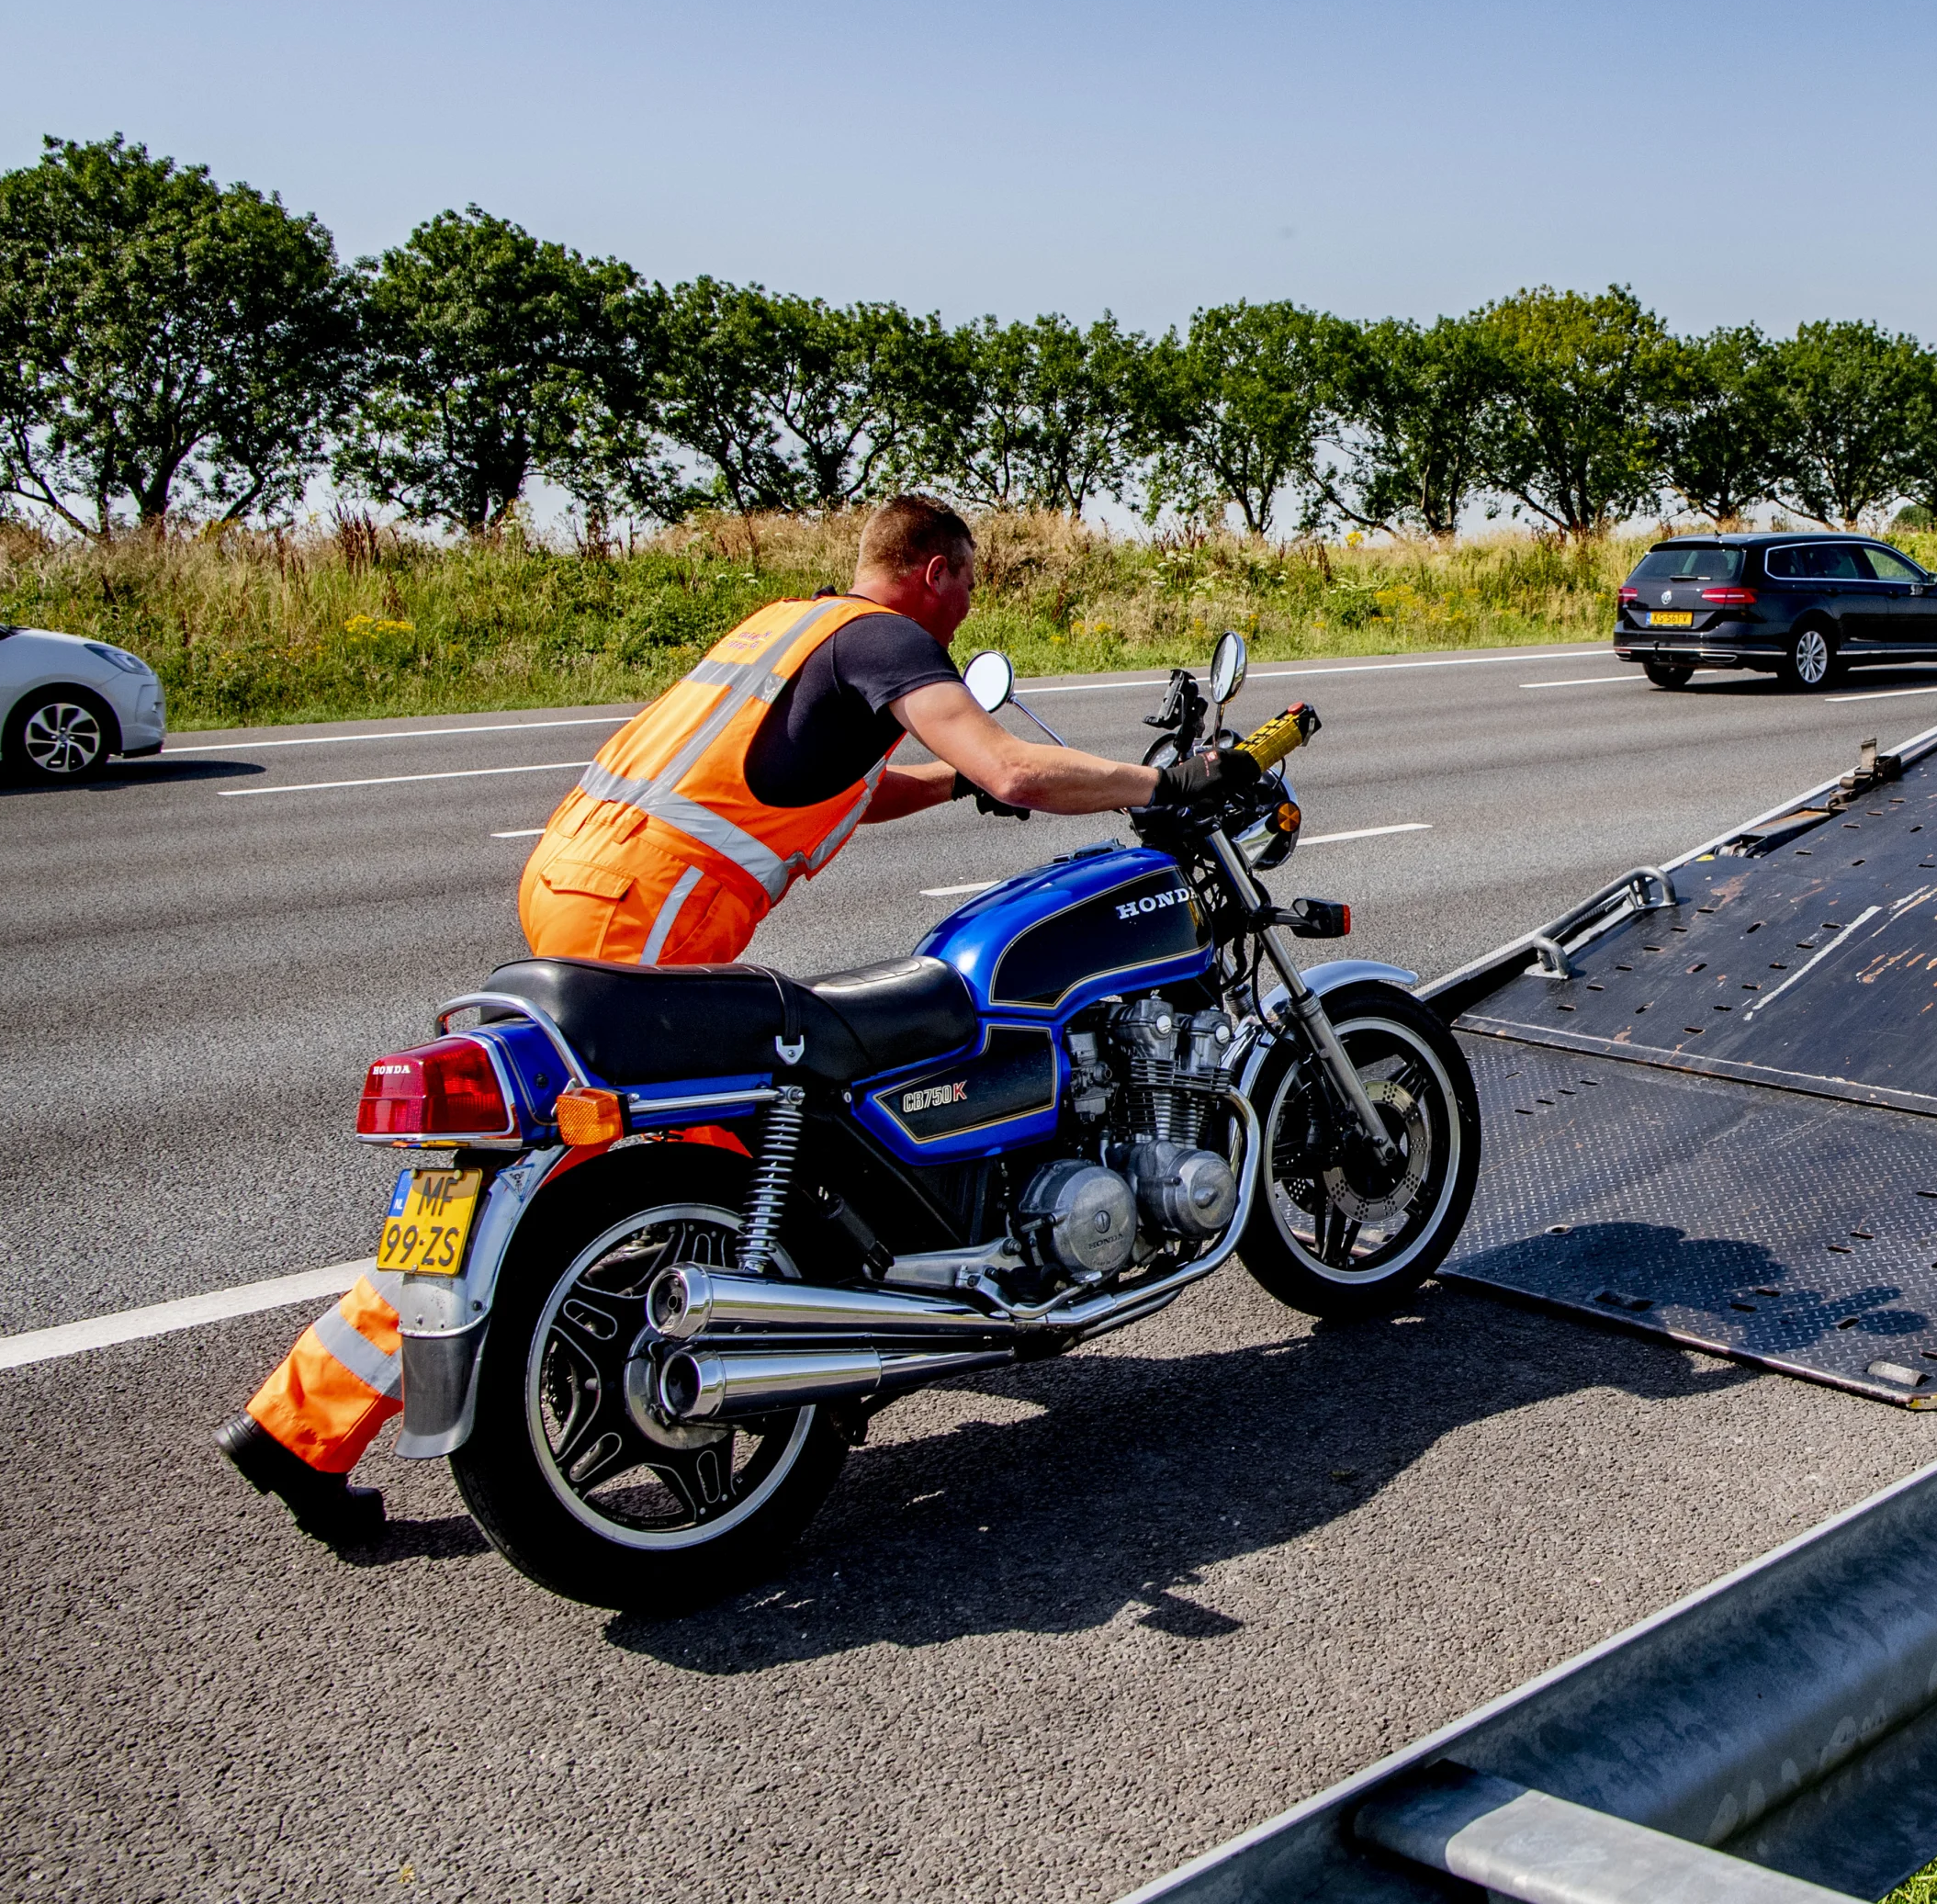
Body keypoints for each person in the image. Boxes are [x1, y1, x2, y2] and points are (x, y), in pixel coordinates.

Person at [220, 494, 1256, 1544]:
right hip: (648, 912)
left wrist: (945, 788)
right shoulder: (892, 640)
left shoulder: (788, 625)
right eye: (971, 584)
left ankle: (299, 1426)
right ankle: (783, 1357)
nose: (968, 606)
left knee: (677, 1162)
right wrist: (1163, 777)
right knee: (682, 1175)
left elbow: (818, 779)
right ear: (936, 570)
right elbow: (1016, 764)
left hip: (574, 880)